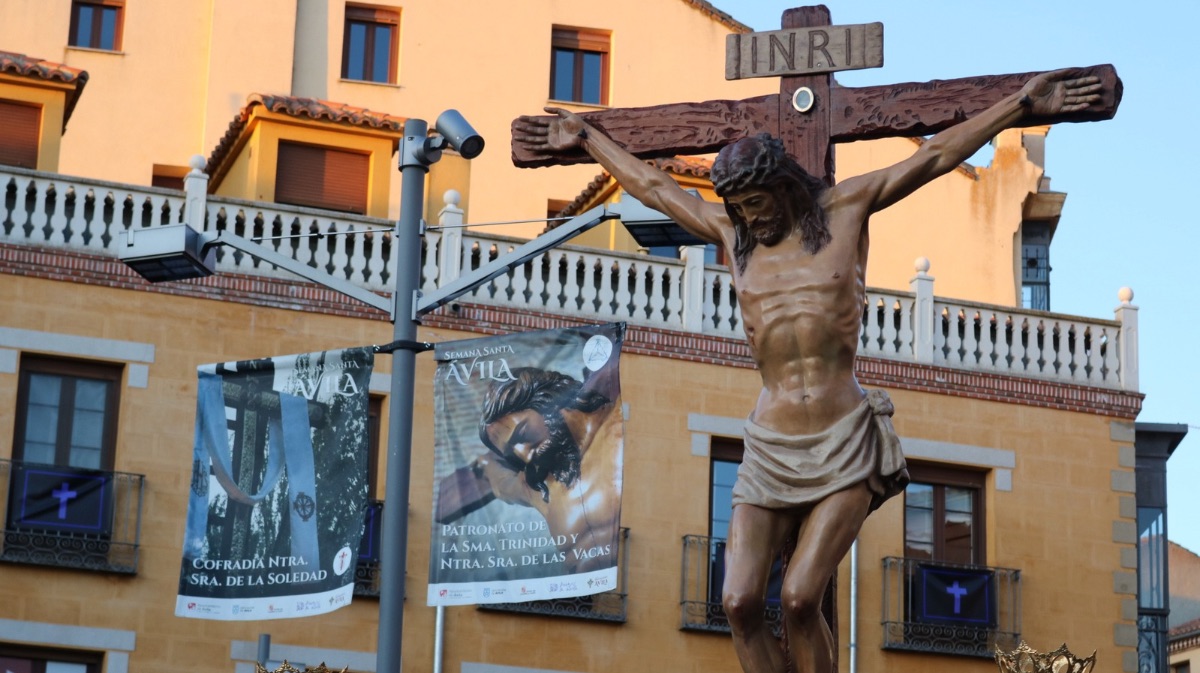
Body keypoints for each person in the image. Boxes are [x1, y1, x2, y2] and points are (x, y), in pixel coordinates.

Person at [513, 70, 1102, 673]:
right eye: (738, 208)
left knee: (799, 598)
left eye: (757, 203)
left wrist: (1021, 104)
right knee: (739, 601)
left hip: (843, 436)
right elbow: (655, 187)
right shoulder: (733, 234)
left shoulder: (847, 209)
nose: (748, 217)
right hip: (770, 442)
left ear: (785, 189)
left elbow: (936, 155)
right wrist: (587, 138)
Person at [473, 366, 623, 574]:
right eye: (512, 452)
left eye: (522, 433)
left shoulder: (617, 429)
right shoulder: (543, 488)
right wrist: (485, 465)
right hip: (586, 603)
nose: (526, 455)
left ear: (547, 401)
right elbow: (503, 486)